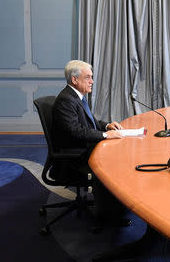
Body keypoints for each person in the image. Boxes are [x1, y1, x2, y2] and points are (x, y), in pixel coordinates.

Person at [52, 60, 127, 224]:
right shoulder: (66, 100)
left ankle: (115, 208)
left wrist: (107, 125)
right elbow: (76, 131)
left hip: (84, 148)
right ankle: (108, 215)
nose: (92, 81)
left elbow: (89, 122)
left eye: (91, 77)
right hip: (75, 156)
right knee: (113, 164)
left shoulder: (76, 97)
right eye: (88, 77)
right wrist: (106, 135)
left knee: (118, 155)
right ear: (74, 80)